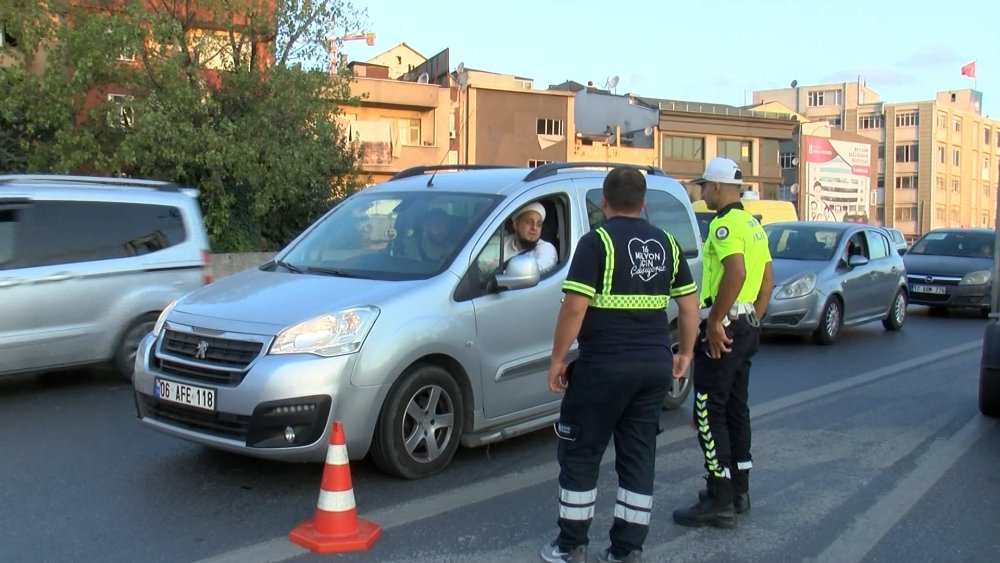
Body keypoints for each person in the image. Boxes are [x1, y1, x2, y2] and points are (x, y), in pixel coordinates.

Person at [541, 167, 700, 563]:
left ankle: (571, 545)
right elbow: (689, 304)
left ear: (604, 202)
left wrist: (558, 359)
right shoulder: (666, 242)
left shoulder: (597, 243)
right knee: (638, 458)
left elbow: (575, 306)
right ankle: (627, 551)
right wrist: (685, 353)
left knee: (581, 452)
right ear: (644, 202)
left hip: (603, 367)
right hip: (653, 367)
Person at [672, 157, 774, 529]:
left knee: (707, 409)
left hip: (726, 325)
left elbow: (736, 271)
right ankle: (739, 490)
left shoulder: (724, 226)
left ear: (716, 187)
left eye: (703, 187)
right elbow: (766, 280)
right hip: (746, 325)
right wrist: (753, 319)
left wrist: (716, 321)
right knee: (735, 408)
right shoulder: (753, 225)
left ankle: (720, 497)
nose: (702, 193)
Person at [505, 202, 558, 274]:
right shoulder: (503, 243)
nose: (534, 228)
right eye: (529, 222)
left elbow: (534, 272)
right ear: (515, 224)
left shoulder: (547, 249)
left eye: (539, 224)